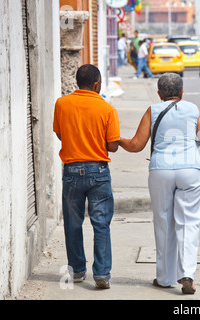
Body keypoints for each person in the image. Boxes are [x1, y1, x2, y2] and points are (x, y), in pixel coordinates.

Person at [119, 73, 200, 294]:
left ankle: (164, 278)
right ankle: (188, 274)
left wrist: (116, 141)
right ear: (182, 93)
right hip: (190, 170)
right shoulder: (192, 110)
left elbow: (136, 145)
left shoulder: (152, 111)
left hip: (160, 170)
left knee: (163, 222)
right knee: (189, 223)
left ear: (159, 93)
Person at [53, 64, 120, 289]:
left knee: (73, 223)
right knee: (101, 223)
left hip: (71, 172)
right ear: (97, 84)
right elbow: (112, 146)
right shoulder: (107, 109)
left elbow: (60, 133)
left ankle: (78, 271)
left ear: (76, 82)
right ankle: (101, 274)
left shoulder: (61, 104)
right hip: (98, 172)